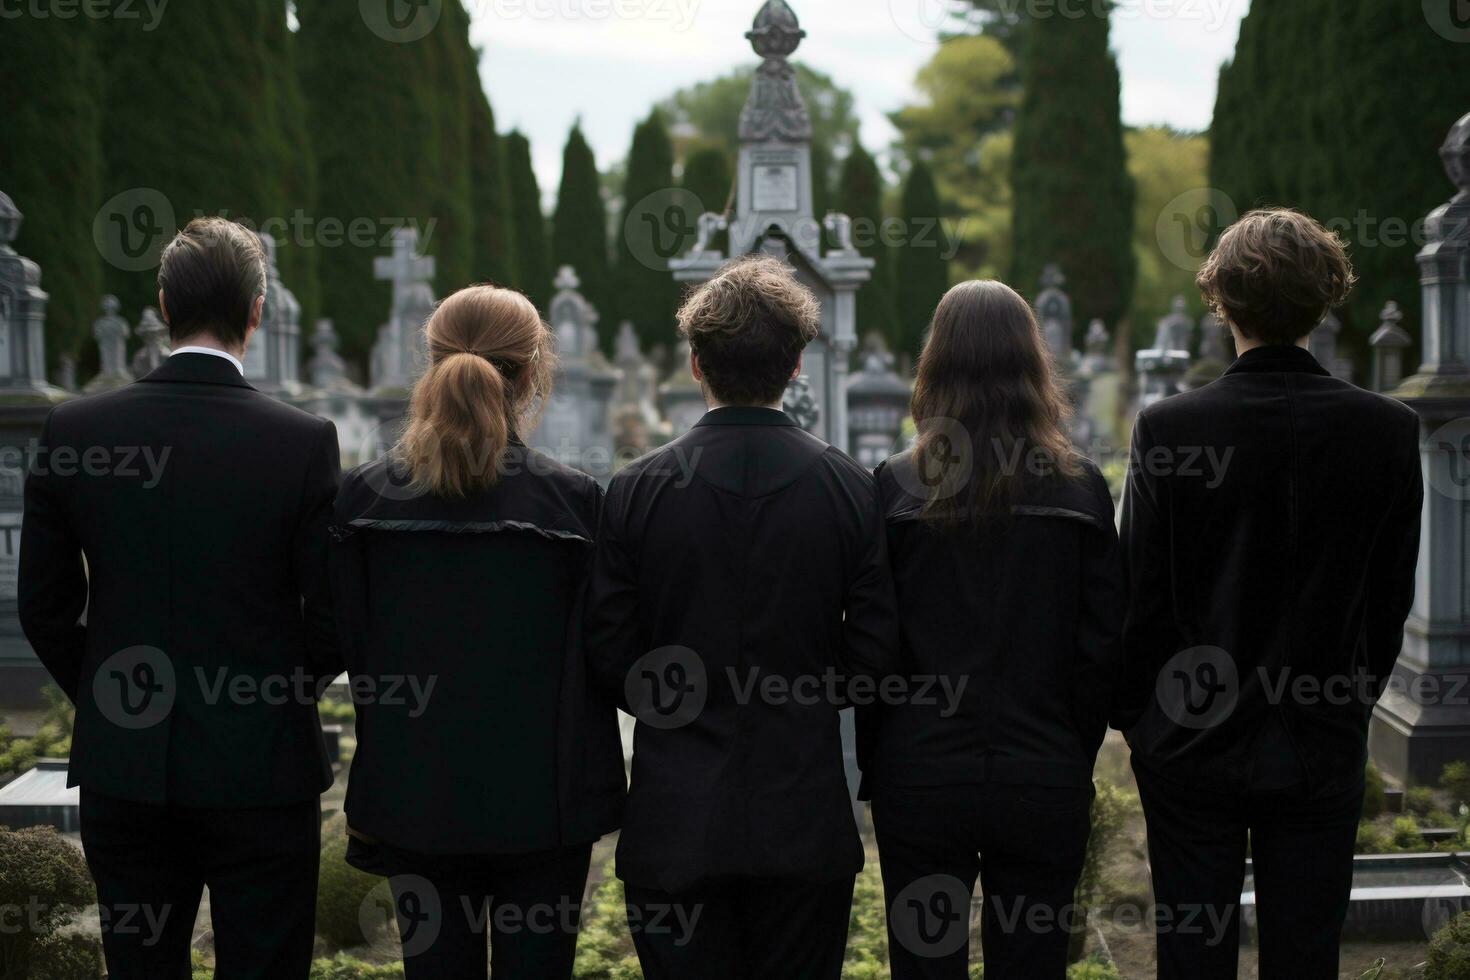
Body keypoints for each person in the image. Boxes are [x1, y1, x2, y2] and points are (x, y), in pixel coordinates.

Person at [18, 217, 341, 980]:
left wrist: (108, 698)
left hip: (127, 764)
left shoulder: (77, 428)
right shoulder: (301, 440)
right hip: (260, 769)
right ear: (257, 313)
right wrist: (275, 696)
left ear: (164, 306)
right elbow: (333, 616)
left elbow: (43, 606)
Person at [1118, 209, 1422, 979]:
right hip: (1320, 735)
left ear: (1222, 300)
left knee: (1193, 955)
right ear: (1325, 302)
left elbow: (1142, 595)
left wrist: (1144, 722)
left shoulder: (1171, 429)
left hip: (1191, 734)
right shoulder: (1385, 430)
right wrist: (1350, 698)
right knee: (1307, 954)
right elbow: (1388, 601)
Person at [585, 254, 900, 980]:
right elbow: (875, 653)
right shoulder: (849, 487)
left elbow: (608, 655)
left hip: (675, 820)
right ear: (796, 368)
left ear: (696, 365)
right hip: (803, 820)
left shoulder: (638, 490)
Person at [330, 285, 624, 980]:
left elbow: (350, 644)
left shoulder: (366, 500)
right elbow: (606, 655)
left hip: (413, 800)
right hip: (544, 810)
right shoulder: (576, 505)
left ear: (431, 366)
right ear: (530, 376)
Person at [859, 280, 1123, 979]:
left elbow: (874, 645)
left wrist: (884, 755)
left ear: (934, 366)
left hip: (920, 772)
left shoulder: (894, 487)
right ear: (1032, 364)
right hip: (1041, 768)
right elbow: (1101, 649)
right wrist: (1070, 743)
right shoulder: (1080, 489)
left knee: (924, 963)